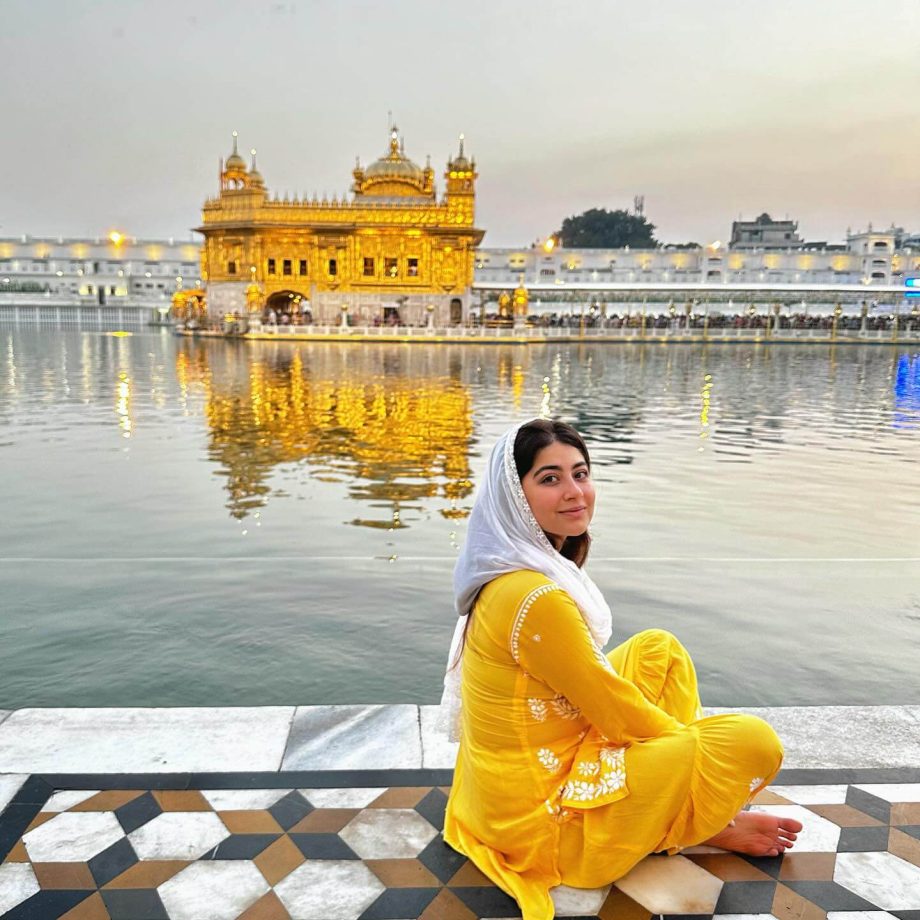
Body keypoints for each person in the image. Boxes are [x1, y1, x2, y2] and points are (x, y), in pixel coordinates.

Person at [441, 419, 801, 920]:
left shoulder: (512, 566)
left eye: (580, 473)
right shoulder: (534, 597)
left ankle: (675, 813)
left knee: (658, 649)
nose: (575, 493)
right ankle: (691, 822)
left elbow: (602, 695)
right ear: (514, 497)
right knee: (748, 742)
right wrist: (690, 764)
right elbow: (617, 714)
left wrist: (675, 757)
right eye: (550, 479)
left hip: (498, 796)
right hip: (543, 827)